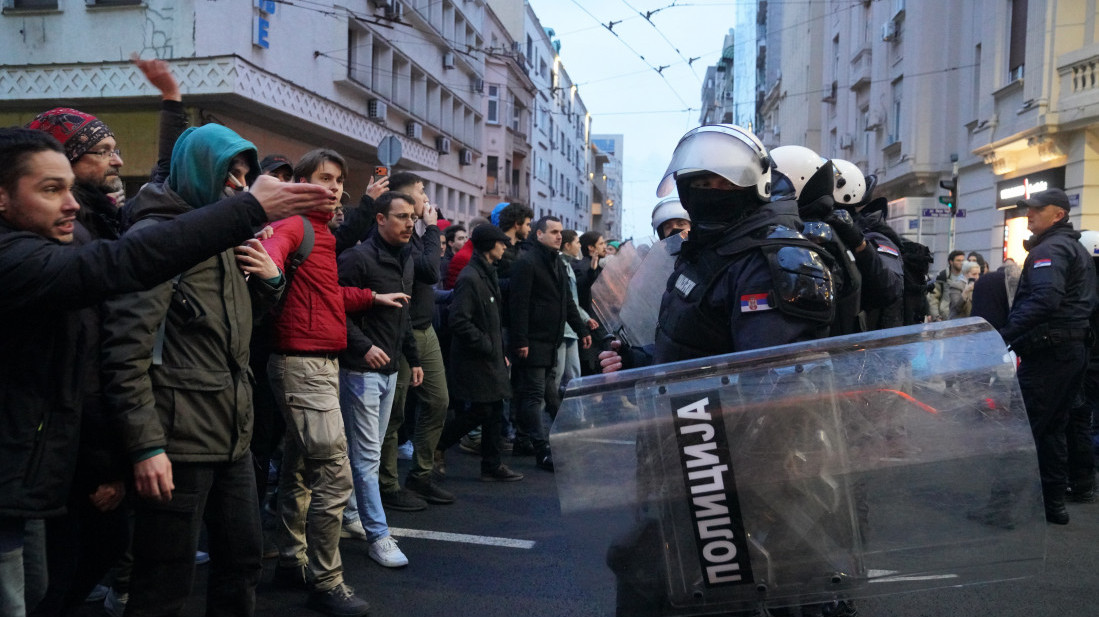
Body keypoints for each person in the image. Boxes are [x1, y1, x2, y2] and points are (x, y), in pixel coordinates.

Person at [0, 127, 329, 617]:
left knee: (239, 562)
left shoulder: (221, 238)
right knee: (155, 579)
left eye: (246, 177)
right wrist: (140, 447)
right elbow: (123, 347)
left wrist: (269, 282)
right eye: (51, 189)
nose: (72, 204)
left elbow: (237, 334)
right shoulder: (153, 239)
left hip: (229, 431)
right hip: (176, 438)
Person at [598, 124, 836, 617]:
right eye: (699, 184)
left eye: (721, 183)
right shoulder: (707, 250)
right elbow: (699, 347)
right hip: (682, 451)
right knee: (656, 580)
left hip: (723, 470)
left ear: (750, 185)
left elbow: (770, 381)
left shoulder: (773, 259)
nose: (709, 194)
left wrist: (720, 481)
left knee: (715, 593)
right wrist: (642, 362)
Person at [23, 57, 187, 616]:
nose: (118, 159)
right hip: (75, 454)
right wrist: (105, 466)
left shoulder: (105, 215)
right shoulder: (74, 236)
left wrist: (171, 100)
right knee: (65, 572)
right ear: (68, 163)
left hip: (85, 446)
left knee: (95, 555)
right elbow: (84, 362)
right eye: (104, 150)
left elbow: (164, 177)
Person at [261, 149, 401, 616]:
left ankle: (291, 560)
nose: (336, 186)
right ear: (301, 182)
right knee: (335, 475)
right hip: (302, 365)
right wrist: (269, 266)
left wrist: (370, 296)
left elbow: (325, 292)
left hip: (317, 364)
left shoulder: (319, 232)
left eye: (339, 179)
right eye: (325, 178)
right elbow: (271, 254)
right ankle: (327, 582)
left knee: (300, 471)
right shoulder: (295, 225)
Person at [999, 188, 1098, 525]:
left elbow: (1044, 299)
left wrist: (1004, 336)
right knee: (1053, 428)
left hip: (1050, 354)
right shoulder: (1072, 248)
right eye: (1029, 208)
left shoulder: (1051, 249)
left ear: (1058, 214)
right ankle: (1052, 504)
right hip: (1069, 351)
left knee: (1022, 430)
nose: (1030, 214)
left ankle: (1004, 508)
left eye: (1038, 209)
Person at [337, 191, 422, 568]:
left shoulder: (406, 259)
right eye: (401, 216)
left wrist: (413, 358)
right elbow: (335, 308)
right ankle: (378, 535)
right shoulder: (356, 258)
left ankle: (352, 513)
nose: (409, 223)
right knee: (367, 457)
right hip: (360, 370)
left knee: (365, 452)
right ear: (380, 219)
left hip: (390, 369)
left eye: (413, 218)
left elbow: (403, 316)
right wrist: (364, 346)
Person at [377, 172, 453, 509]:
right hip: (403, 332)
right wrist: (433, 227)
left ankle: (421, 475)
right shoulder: (403, 233)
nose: (426, 199)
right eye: (422, 192)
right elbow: (430, 271)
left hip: (426, 330)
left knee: (438, 401)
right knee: (395, 412)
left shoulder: (417, 233)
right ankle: (387, 483)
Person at [434, 225, 524, 482]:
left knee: (494, 410)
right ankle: (439, 443)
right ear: (488, 245)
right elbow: (459, 320)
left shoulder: (485, 274)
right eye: (500, 243)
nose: (505, 247)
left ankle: (492, 465)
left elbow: (491, 319)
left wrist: (498, 349)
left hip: (490, 356)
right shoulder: (470, 277)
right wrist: (486, 344)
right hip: (476, 358)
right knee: (483, 411)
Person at [508, 216, 591, 471]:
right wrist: (520, 340)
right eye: (554, 232)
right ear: (539, 234)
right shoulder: (528, 262)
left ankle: (536, 440)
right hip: (533, 341)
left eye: (560, 232)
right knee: (535, 395)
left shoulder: (556, 262)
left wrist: (581, 328)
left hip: (549, 340)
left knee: (549, 395)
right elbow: (518, 304)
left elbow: (566, 301)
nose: (559, 236)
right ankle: (542, 448)